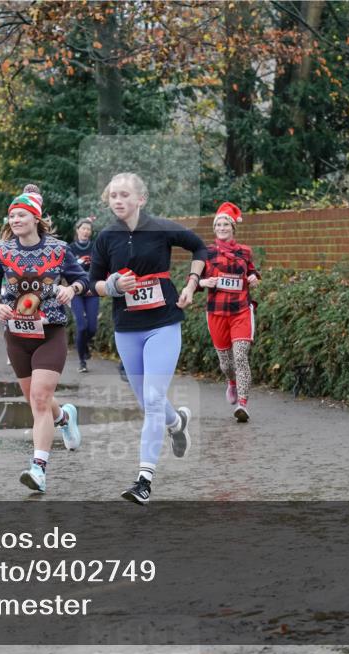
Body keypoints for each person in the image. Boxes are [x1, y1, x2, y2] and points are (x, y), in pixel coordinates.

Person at [89, 172, 207, 505]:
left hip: (163, 324)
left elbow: (200, 247)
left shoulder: (161, 228)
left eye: (125, 195)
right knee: (148, 403)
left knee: (153, 399)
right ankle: (177, 421)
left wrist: (191, 284)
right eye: (113, 196)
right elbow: (91, 283)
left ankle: (144, 481)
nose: (118, 201)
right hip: (127, 328)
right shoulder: (106, 237)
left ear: (141, 199)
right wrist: (111, 286)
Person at [0, 189, 86, 493]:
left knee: (39, 399)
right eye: (11, 216)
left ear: (36, 218)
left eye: (21, 215)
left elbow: (83, 277)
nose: (15, 220)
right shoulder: (1, 251)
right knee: (37, 400)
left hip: (50, 333)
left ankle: (38, 469)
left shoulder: (60, 249)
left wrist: (72, 289)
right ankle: (64, 416)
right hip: (17, 334)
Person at [197, 202, 260, 423]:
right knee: (226, 363)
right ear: (214, 229)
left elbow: (252, 273)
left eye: (226, 224)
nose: (222, 227)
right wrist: (205, 281)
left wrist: (253, 278)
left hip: (241, 309)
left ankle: (242, 404)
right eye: (219, 224)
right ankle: (231, 382)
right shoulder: (205, 252)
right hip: (217, 312)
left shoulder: (245, 251)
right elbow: (193, 281)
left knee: (240, 356)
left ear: (233, 228)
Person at [68, 217, 100, 373]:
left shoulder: (95, 247)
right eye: (83, 228)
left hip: (91, 290)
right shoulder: (70, 249)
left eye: (89, 229)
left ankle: (83, 345)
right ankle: (82, 361)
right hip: (76, 291)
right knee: (81, 327)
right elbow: (65, 270)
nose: (86, 231)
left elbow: (101, 267)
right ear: (77, 230)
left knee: (92, 328)